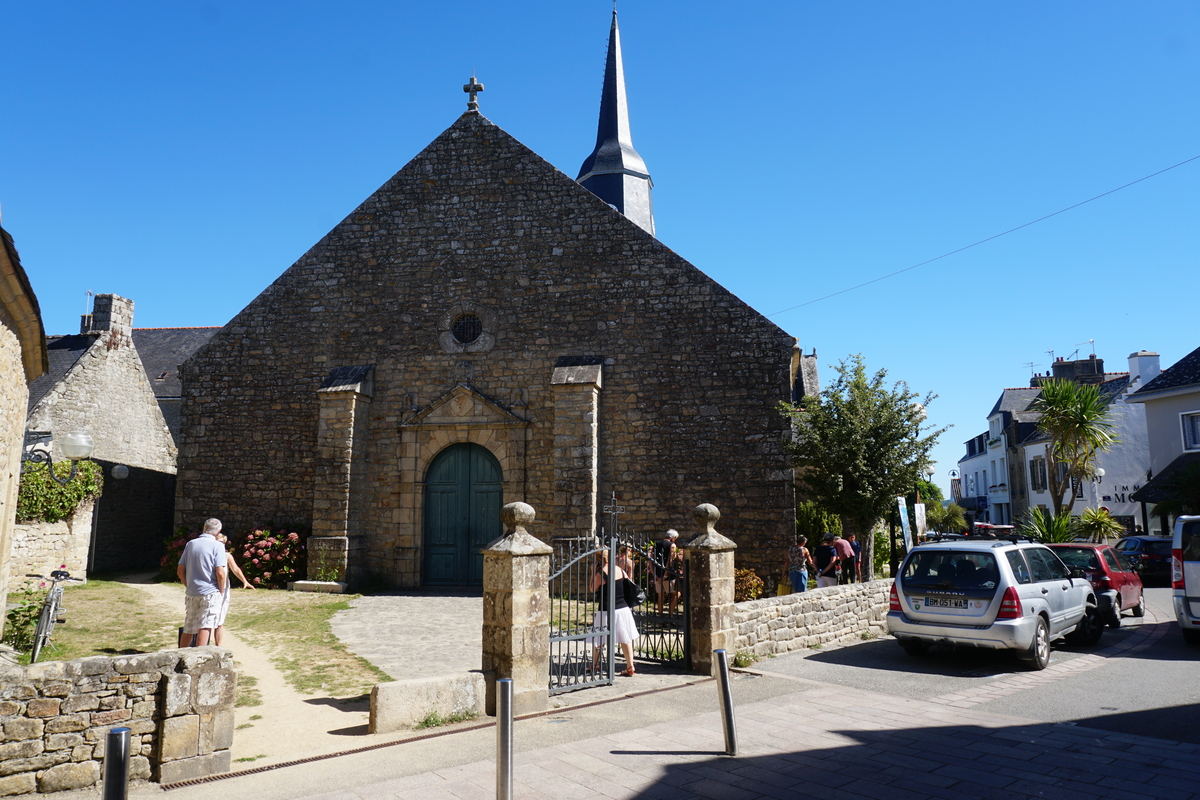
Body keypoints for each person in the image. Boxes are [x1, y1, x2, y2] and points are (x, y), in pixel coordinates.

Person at [177, 518, 227, 647]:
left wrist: (187, 584)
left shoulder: (191, 544)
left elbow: (180, 570)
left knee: (189, 627)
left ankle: (180, 656)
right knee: (205, 625)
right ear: (218, 531)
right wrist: (221, 590)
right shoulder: (218, 546)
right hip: (210, 591)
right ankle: (200, 657)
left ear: (204, 528)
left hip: (192, 591)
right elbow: (220, 572)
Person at [589, 549, 639, 677]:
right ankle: (630, 666)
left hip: (606, 609)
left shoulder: (602, 573)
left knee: (599, 636)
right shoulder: (620, 570)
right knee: (625, 638)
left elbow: (592, 588)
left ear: (599, 559)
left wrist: (592, 572)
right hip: (623, 608)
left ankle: (595, 664)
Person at [212, 532, 254, 646]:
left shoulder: (227, 556)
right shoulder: (209, 554)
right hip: (211, 589)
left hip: (224, 589)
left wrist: (244, 581)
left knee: (219, 621)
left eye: (222, 543)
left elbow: (235, 569)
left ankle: (218, 647)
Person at [652, 530, 681, 614]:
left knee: (660, 596)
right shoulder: (672, 545)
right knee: (676, 594)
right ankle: (670, 615)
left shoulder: (656, 544)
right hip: (668, 574)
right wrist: (665, 575)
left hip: (657, 572)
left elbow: (651, 560)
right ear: (673, 538)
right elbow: (669, 561)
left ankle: (661, 618)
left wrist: (654, 575)